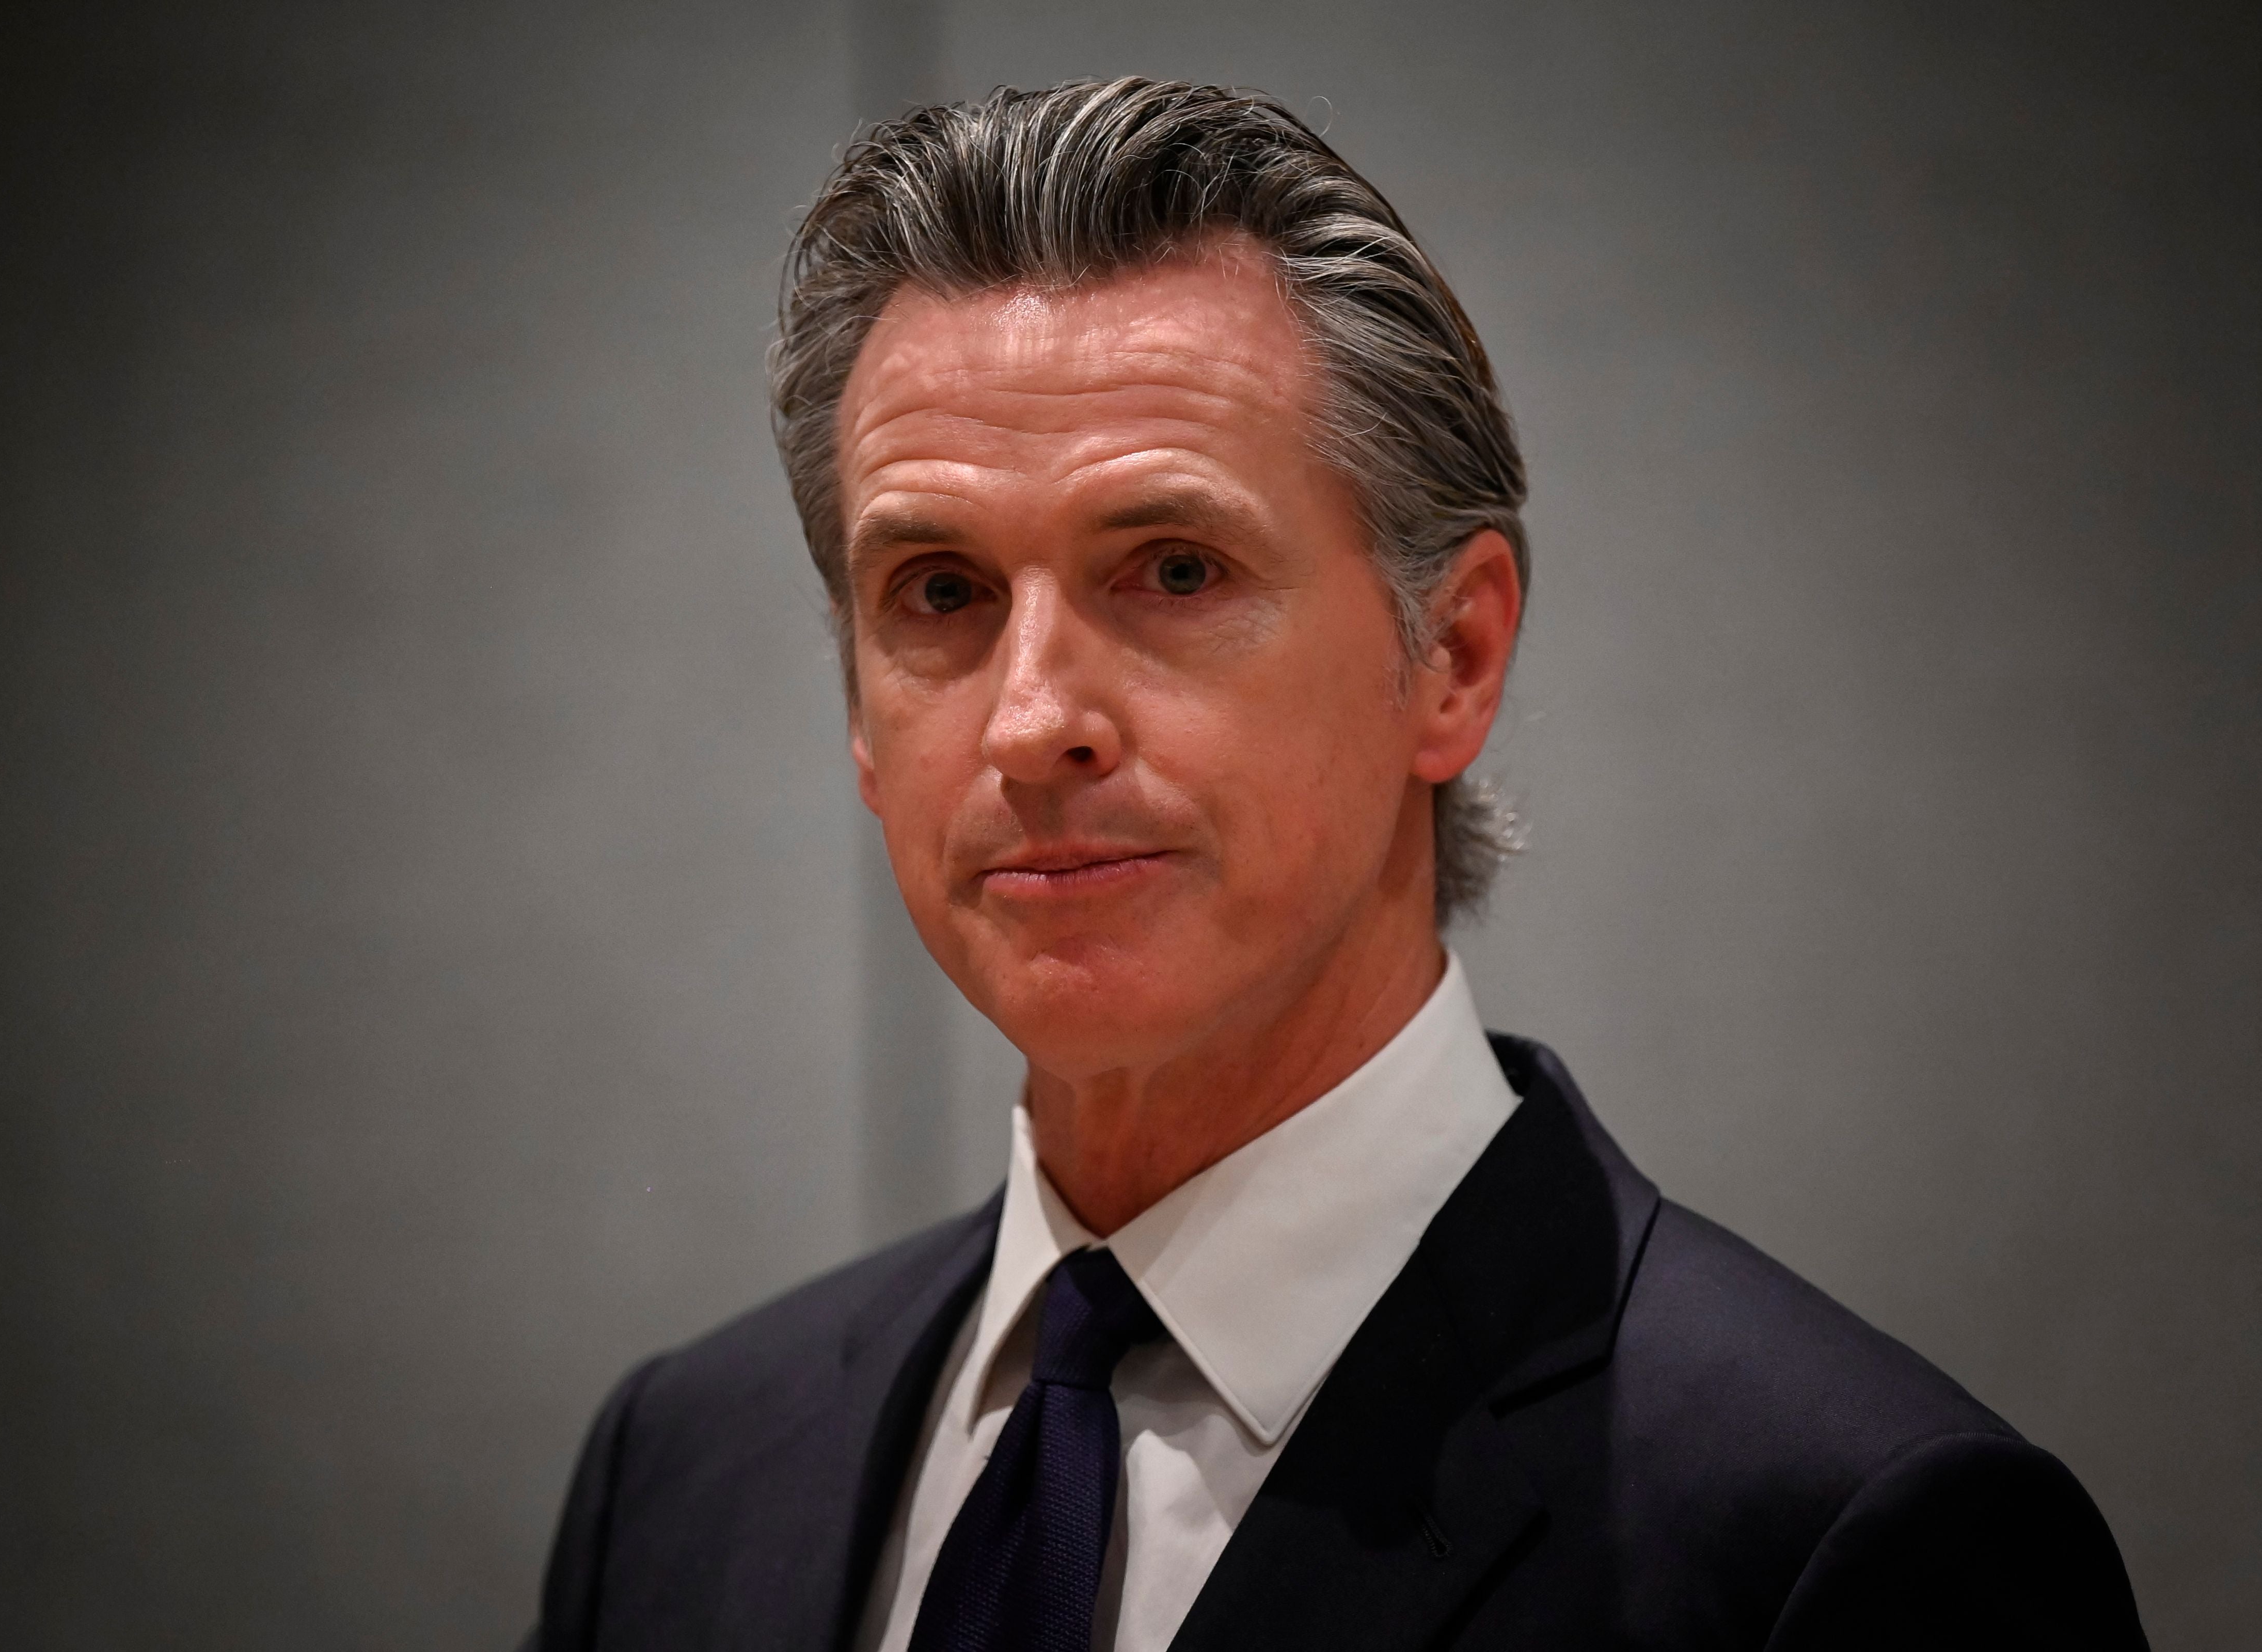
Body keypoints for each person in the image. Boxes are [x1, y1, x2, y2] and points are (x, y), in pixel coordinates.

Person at [525, 78, 2145, 1651]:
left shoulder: (1841, 1539)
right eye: (939, 593)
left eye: (1174, 569)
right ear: (858, 716)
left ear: (1452, 656)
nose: (1029, 723)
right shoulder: (680, 1474)